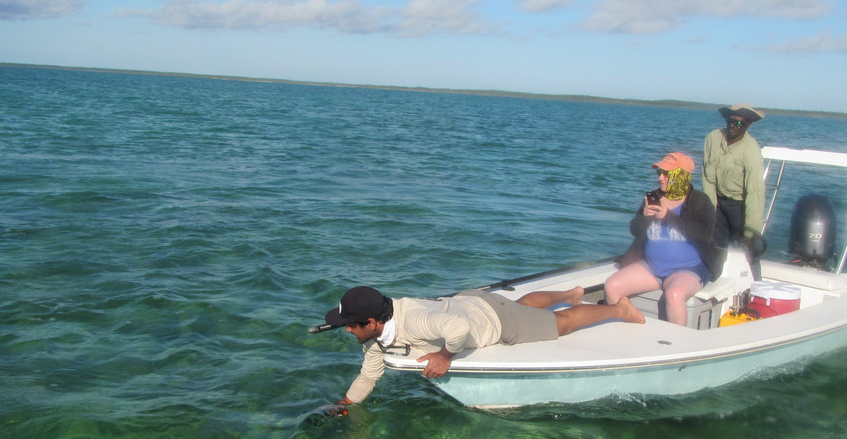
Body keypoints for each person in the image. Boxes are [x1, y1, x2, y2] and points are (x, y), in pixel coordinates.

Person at [326, 284, 645, 404]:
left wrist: (445, 355)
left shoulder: (414, 320)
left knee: (561, 325)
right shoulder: (377, 337)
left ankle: (620, 308)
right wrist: (342, 408)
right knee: (521, 304)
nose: (348, 332)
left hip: (493, 320)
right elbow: (369, 375)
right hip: (469, 299)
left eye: (350, 327)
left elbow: (460, 327)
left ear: (371, 323)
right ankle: (569, 293)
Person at [604, 152, 724, 326]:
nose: (661, 178)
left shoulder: (700, 201)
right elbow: (635, 230)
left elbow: (703, 234)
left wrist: (668, 216)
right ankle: (627, 334)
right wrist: (644, 217)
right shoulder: (653, 197)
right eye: (659, 173)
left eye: (666, 174)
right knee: (612, 286)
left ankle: (676, 346)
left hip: (689, 269)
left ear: (682, 176)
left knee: (674, 295)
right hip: (652, 268)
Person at [701, 103, 767, 277]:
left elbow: (755, 193)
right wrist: (710, 211)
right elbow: (707, 178)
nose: (733, 125)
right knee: (713, 247)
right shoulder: (712, 138)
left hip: (740, 206)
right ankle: (712, 282)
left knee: (748, 251)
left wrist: (751, 231)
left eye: (739, 123)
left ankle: (755, 288)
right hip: (717, 201)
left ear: (748, 125)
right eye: (730, 120)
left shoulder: (751, 151)